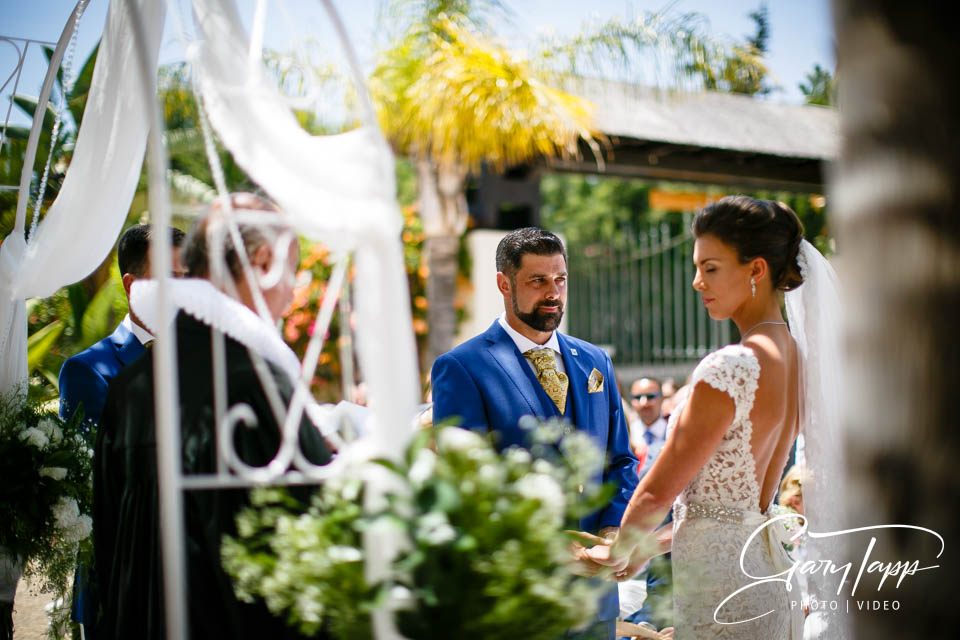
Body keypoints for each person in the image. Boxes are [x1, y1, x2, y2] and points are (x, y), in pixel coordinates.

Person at [93, 193, 332, 640]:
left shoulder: (129, 388)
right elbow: (304, 557)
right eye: (292, 272)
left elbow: (108, 547)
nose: (291, 293)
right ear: (262, 261)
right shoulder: (256, 387)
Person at [586, 196, 818, 639]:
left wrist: (619, 549)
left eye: (710, 268)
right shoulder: (799, 359)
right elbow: (730, 511)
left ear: (756, 270)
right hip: (765, 574)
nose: (696, 282)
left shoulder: (731, 366)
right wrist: (646, 546)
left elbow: (657, 491)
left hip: (721, 588)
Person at [431, 227, 638, 640]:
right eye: (537, 281)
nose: (553, 293)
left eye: (560, 279)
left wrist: (614, 531)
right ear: (503, 284)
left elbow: (620, 460)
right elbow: (465, 484)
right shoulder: (463, 367)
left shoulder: (595, 360)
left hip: (595, 598)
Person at [58, 224, 186, 639]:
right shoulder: (88, 371)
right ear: (132, 285)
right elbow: (99, 482)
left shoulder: (205, 363)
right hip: (119, 579)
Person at [628, 377, 667, 477]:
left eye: (650, 397)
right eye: (637, 397)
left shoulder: (673, 433)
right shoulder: (626, 434)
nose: (643, 403)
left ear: (662, 398)